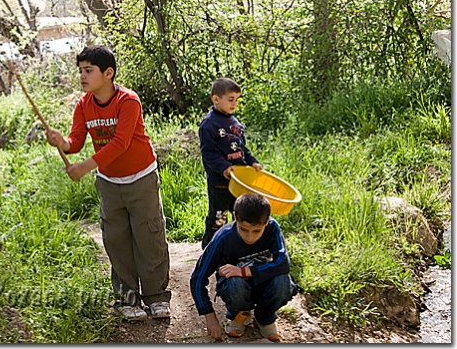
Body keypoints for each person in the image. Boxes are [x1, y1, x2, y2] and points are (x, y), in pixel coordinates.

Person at [45, 45, 172, 321]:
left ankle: (157, 297)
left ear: (108, 73)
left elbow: (120, 143)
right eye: (80, 70)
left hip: (141, 178)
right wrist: (61, 143)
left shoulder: (128, 101)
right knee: (117, 241)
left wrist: (86, 167)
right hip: (109, 184)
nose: (82, 76)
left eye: (88, 70)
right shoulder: (83, 105)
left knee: (149, 238)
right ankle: (128, 300)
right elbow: (76, 142)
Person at [189, 193, 300, 341]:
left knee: (283, 282)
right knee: (235, 283)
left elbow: (283, 263)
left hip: (264, 283)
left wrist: (243, 271)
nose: (250, 237)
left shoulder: (272, 228)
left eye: (256, 231)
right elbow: (197, 278)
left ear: (266, 221)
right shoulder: (223, 237)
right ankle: (240, 314)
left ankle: (265, 318)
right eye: (244, 229)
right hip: (235, 288)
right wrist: (209, 316)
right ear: (235, 217)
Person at [199, 77, 262, 249]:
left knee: (240, 216)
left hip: (240, 183)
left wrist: (253, 162)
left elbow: (243, 150)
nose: (234, 103)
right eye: (230, 99)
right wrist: (224, 168)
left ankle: (234, 247)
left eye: (236, 99)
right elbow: (208, 152)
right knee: (219, 217)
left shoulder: (235, 123)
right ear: (216, 99)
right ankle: (210, 248)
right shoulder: (209, 124)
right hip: (220, 184)